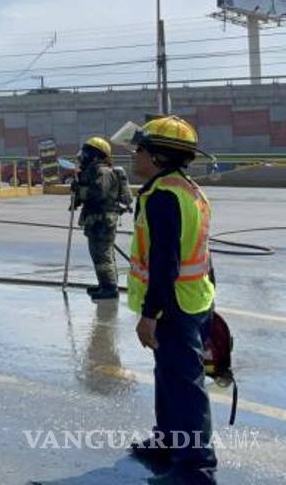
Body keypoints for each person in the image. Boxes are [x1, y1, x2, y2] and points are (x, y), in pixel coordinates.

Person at [126, 115, 217, 485]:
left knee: (184, 385)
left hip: (174, 305)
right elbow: (204, 251)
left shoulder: (163, 196)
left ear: (158, 157)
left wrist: (150, 315)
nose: (135, 155)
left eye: (141, 149)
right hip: (195, 299)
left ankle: (195, 468)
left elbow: (166, 262)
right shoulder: (188, 188)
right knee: (170, 376)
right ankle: (167, 442)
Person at [71, 136, 131, 300]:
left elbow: (97, 194)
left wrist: (80, 190)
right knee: (99, 254)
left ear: (96, 155)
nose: (82, 156)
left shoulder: (102, 171)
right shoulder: (93, 170)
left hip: (103, 220)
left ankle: (110, 288)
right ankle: (105, 284)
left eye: (86, 153)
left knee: (102, 254)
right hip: (97, 219)